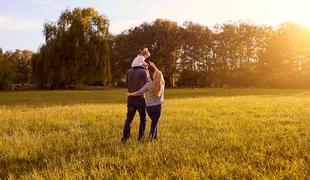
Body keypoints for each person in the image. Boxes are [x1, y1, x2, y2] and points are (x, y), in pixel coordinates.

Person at [127, 62, 165, 141]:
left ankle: (155, 137)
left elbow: (139, 92)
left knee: (154, 122)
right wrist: (154, 66)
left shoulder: (148, 85)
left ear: (153, 76)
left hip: (149, 108)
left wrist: (130, 94)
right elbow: (159, 74)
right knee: (154, 124)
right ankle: (150, 140)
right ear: (161, 77)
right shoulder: (162, 83)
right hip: (157, 107)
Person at [121, 60, 150, 143]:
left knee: (129, 119)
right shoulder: (144, 72)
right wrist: (147, 71)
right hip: (140, 98)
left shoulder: (128, 71)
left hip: (130, 98)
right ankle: (141, 138)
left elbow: (126, 84)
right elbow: (148, 85)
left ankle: (125, 138)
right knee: (143, 119)